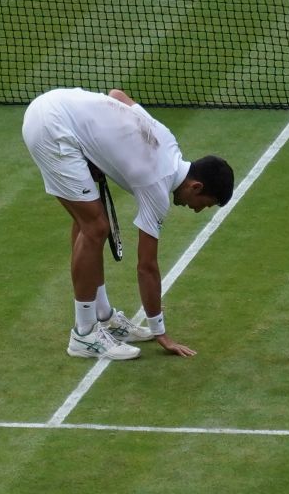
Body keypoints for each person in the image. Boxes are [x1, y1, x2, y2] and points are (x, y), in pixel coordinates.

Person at [22, 87, 234, 360]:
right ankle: (84, 334)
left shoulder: (167, 140)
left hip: (56, 107)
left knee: (89, 221)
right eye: (204, 204)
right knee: (95, 227)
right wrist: (160, 332)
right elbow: (147, 266)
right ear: (196, 187)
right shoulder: (157, 188)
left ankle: (104, 316)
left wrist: (95, 146)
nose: (197, 210)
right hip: (52, 129)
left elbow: (117, 96)